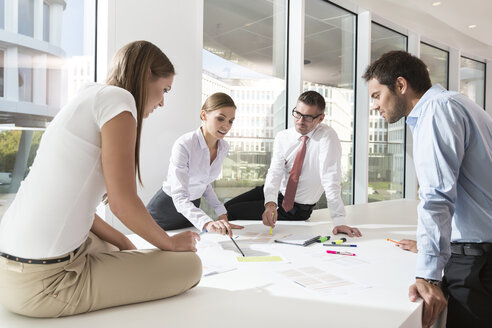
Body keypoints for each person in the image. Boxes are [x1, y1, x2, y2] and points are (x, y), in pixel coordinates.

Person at [0, 41, 202, 318]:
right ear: (145, 77)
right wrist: (169, 244)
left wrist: (126, 244)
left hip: (7, 271)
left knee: (110, 246)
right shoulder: (120, 101)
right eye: (164, 90)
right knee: (190, 266)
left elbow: (76, 206)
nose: (163, 101)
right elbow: (122, 204)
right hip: (44, 286)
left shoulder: (89, 94)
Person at [364, 50, 492, 328]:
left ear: (400, 85)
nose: (374, 105)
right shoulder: (458, 104)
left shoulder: (436, 111)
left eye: (376, 95)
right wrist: (430, 245)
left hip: (477, 264)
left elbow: (437, 195)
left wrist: (428, 275)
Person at [225, 91, 361, 237]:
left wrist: (339, 220)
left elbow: (330, 178)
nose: (300, 121)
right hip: (275, 192)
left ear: (321, 118)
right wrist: (270, 203)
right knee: (224, 209)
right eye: (297, 114)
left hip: (295, 208)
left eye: (308, 117)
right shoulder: (283, 137)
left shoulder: (327, 137)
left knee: (231, 213)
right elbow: (275, 172)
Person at [147, 92, 243, 237]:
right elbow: (179, 196)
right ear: (204, 115)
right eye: (220, 118)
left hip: (191, 212)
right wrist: (207, 223)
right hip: (165, 210)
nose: (226, 126)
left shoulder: (223, 147)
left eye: (230, 121)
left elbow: (204, 184)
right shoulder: (184, 144)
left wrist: (222, 215)